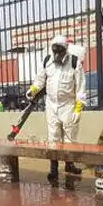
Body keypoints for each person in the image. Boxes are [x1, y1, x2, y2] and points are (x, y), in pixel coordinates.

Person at [27, 35, 86, 182]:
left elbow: (80, 88)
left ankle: (69, 165)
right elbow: (40, 80)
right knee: (53, 138)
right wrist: (33, 90)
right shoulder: (47, 61)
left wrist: (78, 109)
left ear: (66, 49)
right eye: (55, 51)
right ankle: (53, 169)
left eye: (60, 51)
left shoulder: (74, 62)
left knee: (70, 138)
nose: (57, 54)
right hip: (51, 105)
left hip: (68, 105)